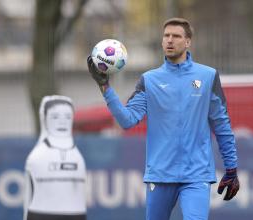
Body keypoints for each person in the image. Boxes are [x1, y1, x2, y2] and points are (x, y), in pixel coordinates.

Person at [87, 17, 239, 220]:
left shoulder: (208, 76)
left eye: (176, 36)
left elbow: (222, 126)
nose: (169, 40)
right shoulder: (149, 80)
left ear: (187, 42)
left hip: (196, 175)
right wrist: (105, 88)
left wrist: (231, 169)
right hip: (159, 175)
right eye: (166, 36)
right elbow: (127, 120)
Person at [24, 95, 87, 220]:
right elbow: (28, 196)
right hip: (41, 213)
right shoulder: (37, 156)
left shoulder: (77, 157)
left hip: (76, 214)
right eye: (55, 117)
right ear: (45, 118)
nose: (62, 122)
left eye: (68, 117)